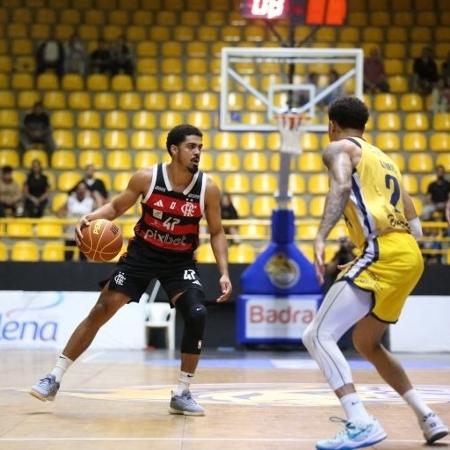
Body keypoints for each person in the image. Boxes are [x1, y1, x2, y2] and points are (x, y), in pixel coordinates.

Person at [30, 124, 232, 416]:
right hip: (142, 255)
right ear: (174, 150)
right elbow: (115, 208)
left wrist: (224, 272)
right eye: (191, 146)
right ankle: (54, 376)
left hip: (180, 261)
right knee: (102, 309)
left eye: (200, 147)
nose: (198, 152)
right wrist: (90, 217)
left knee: (197, 313)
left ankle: (182, 392)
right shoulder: (147, 178)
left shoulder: (207, 188)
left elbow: (217, 232)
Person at [302, 96, 448, 449]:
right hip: (408, 256)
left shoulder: (338, 148)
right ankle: (427, 416)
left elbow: (339, 187)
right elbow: (415, 223)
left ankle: (360, 421)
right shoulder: (384, 160)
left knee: (316, 335)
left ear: (331, 125)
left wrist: (322, 235)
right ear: (364, 125)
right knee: (366, 343)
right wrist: (371, 254)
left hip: (383, 251)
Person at [58, 181, 96, 261]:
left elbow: (96, 214)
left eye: (83, 188)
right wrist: (64, 223)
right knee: (68, 257)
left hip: (84, 233)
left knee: (83, 258)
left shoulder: (90, 201)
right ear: (76, 190)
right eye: (79, 188)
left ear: (86, 190)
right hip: (70, 232)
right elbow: (59, 211)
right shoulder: (70, 200)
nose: (81, 190)